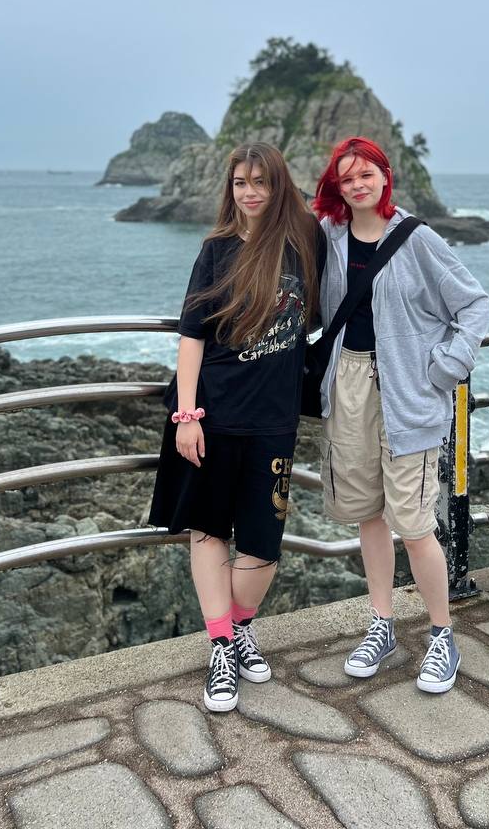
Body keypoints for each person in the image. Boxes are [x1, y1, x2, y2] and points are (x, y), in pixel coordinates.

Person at [312, 136, 489, 692]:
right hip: (348, 385)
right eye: (347, 178)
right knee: (369, 514)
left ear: (386, 176)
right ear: (338, 187)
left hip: (409, 392)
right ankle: (382, 624)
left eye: (366, 174)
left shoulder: (417, 239)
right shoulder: (330, 235)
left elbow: (474, 303)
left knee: (414, 525)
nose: (358, 184)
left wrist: (446, 369)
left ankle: (442, 635)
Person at [149, 142, 323, 712]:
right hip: (213, 416)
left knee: (263, 545)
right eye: (240, 183)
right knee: (207, 531)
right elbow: (192, 335)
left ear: (279, 186)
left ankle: (239, 624)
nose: (250, 193)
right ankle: (223, 646)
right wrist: (187, 415)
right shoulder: (217, 250)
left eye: (261, 182)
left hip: (275, 419)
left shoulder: (304, 244)